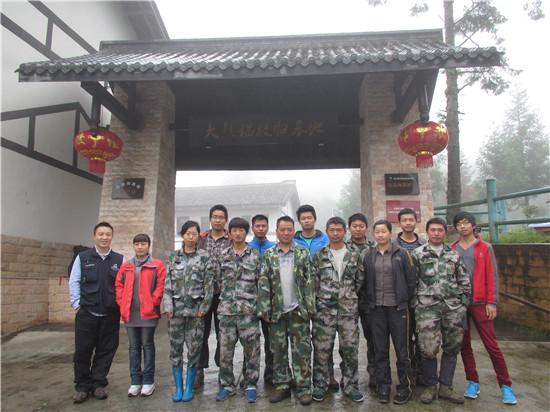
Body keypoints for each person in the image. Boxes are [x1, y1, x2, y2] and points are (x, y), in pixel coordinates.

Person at [451, 211, 517, 405]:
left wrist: (492, 302)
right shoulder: (452, 248)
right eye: (459, 223)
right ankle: (472, 381)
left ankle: (505, 385)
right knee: (464, 344)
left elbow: (492, 276)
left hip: (481, 303)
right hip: (459, 303)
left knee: (491, 345)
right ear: (455, 227)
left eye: (466, 223)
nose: (463, 226)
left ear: (473, 225)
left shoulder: (485, 247)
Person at [411, 217, 471, 405]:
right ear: (427, 232)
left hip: (453, 309)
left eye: (440, 230)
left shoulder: (454, 255)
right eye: (433, 230)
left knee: (452, 347)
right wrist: (417, 304)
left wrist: (463, 304)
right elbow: (411, 281)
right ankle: (430, 386)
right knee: (428, 348)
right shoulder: (417, 254)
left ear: (445, 232)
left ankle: (446, 386)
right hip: (427, 309)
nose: (436, 233)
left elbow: (464, 280)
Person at [258, 216, 316, 405]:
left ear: (293, 231)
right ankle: (282, 385)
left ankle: (303, 387)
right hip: (277, 312)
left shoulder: (302, 253)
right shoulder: (269, 255)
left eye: (289, 229)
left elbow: (309, 281)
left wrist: (309, 307)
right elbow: (264, 282)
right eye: (282, 230)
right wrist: (264, 308)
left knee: (302, 351)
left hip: (298, 310)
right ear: (276, 231)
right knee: (278, 350)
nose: (285, 233)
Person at [359, 220, 416, 405]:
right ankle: (383, 386)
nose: (381, 235)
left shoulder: (402, 254)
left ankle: (404, 386)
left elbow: (411, 280)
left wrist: (405, 299)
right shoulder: (368, 255)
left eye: (384, 231)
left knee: (402, 350)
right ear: (373, 234)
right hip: (376, 310)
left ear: (390, 233)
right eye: (377, 232)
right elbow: (363, 282)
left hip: (398, 309)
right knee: (380, 350)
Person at [68, 222, 123, 403]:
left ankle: (98, 384)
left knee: (106, 350)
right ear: (94, 236)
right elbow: (74, 280)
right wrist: (77, 304)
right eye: (101, 234)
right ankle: (82, 386)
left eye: (108, 234)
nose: (104, 237)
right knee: (82, 351)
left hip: (110, 314)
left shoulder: (119, 260)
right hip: (87, 313)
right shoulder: (83, 257)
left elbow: (123, 285)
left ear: (112, 237)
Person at [311, 217, 364, 403]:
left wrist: (349, 296)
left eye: (339, 230)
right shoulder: (319, 255)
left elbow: (359, 281)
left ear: (345, 231)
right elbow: (314, 282)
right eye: (332, 230)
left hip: (348, 311)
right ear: (327, 231)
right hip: (324, 311)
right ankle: (321, 384)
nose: (335, 233)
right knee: (322, 349)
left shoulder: (354, 255)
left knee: (350, 349)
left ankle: (351, 385)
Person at [164, 221, 214, 402]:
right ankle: (178, 387)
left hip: (196, 313)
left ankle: (189, 388)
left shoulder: (204, 257)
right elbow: (167, 284)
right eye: (188, 233)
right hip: (176, 313)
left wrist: (204, 308)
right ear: (182, 235)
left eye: (194, 234)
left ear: (198, 236)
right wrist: (168, 307)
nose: (191, 237)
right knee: (175, 350)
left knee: (194, 350)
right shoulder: (173, 257)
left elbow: (209, 285)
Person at [216, 217, 262, 403]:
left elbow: (260, 282)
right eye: (234, 230)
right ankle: (227, 385)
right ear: (229, 233)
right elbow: (217, 281)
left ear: (246, 232)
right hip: (227, 311)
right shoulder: (222, 255)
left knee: (252, 351)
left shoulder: (255, 256)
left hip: (248, 312)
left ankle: (250, 384)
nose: (237, 233)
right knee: (225, 352)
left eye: (241, 230)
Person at [115, 234, 166, 397]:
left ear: (148, 246)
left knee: (147, 345)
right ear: (134, 246)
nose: (140, 247)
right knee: (133, 348)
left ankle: (148, 381)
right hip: (130, 314)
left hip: (148, 314)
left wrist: (153, 301)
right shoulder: (127, 266)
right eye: (137, 244)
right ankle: (135, 381)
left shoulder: (156, 264)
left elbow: (161, 285)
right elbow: (119, 285)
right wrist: (121, 302)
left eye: (143, 244)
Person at [196, 204, 232, 387]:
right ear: (210, 219)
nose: (218, 220)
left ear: (226, 220)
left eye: (221, 217)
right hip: (203, 295)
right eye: (215, 217)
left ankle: (222, 370)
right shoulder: (201, 239)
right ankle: (199, 371)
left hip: (224, 295)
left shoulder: (231, 239)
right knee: (200, 334)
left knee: (223, 334)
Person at [392, 207, 425, 386]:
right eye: (404, 220)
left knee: (422, 337)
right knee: (404, 339)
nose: (408, 223)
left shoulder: (424, 245)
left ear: (415, 221)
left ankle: (421, 371)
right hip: (401, 301)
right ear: (399, 223)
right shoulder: (393, 246)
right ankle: (409, 373)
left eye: (411, 220)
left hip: (423, 299)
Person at [346, 213, 376, 387]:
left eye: (361, 226)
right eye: (354, 226)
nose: (358, 229)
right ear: (349, 228)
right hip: (348, 300)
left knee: (373, 338)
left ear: (366, 227)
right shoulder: (343, 247)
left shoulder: (373, 248)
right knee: (349, 341)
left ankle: (374, 374)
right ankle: (349, 377)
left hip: (369, 300)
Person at [248, 214, 276, 385]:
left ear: (267, 227)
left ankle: (271, 372)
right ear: (252, 228)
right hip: (249, 301)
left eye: (263, 226)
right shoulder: (246, 248)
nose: (260, 228)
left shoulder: (273, 248)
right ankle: (249, 375)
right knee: (249, 340)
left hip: (269, 301)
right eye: (257, 226)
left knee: (271, 340)